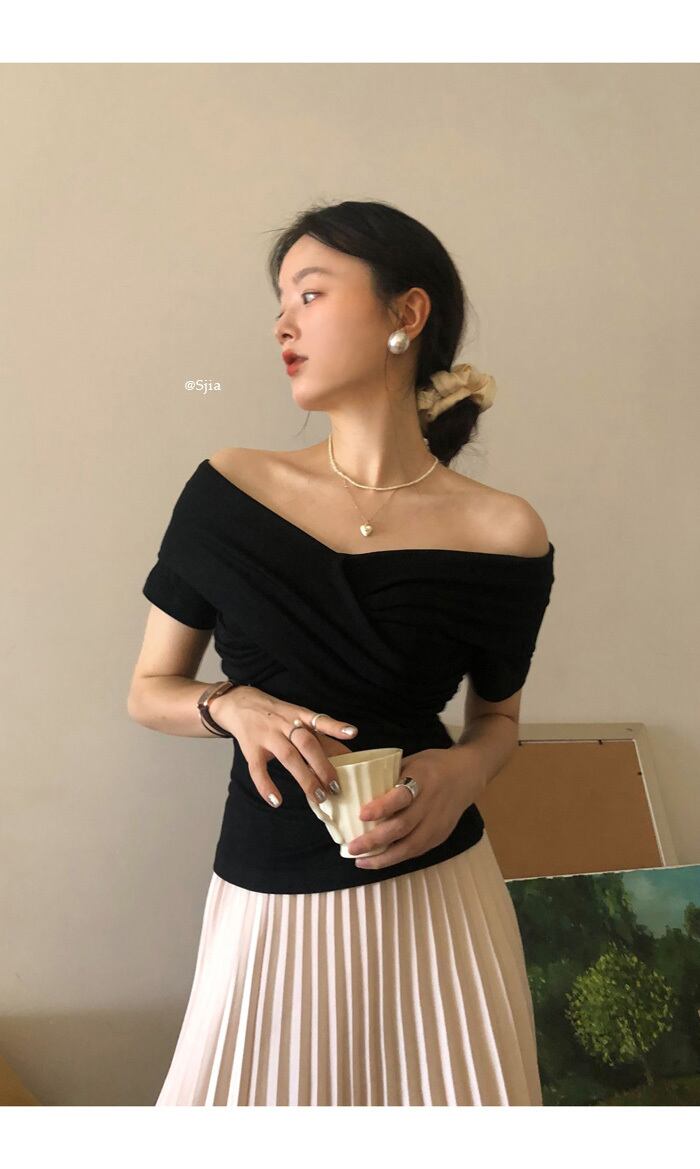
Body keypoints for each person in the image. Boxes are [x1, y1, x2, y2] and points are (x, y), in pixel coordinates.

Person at [127, 198, 556, 1106]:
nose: (283, 323)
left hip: (441, 905)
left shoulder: (505, 532)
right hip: (265, 899)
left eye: (311, 293)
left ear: (408, 313)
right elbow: (149, 689)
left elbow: (499, 721)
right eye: (281, 301)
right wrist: (229, 704)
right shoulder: (227, 491)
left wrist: (461, 772)